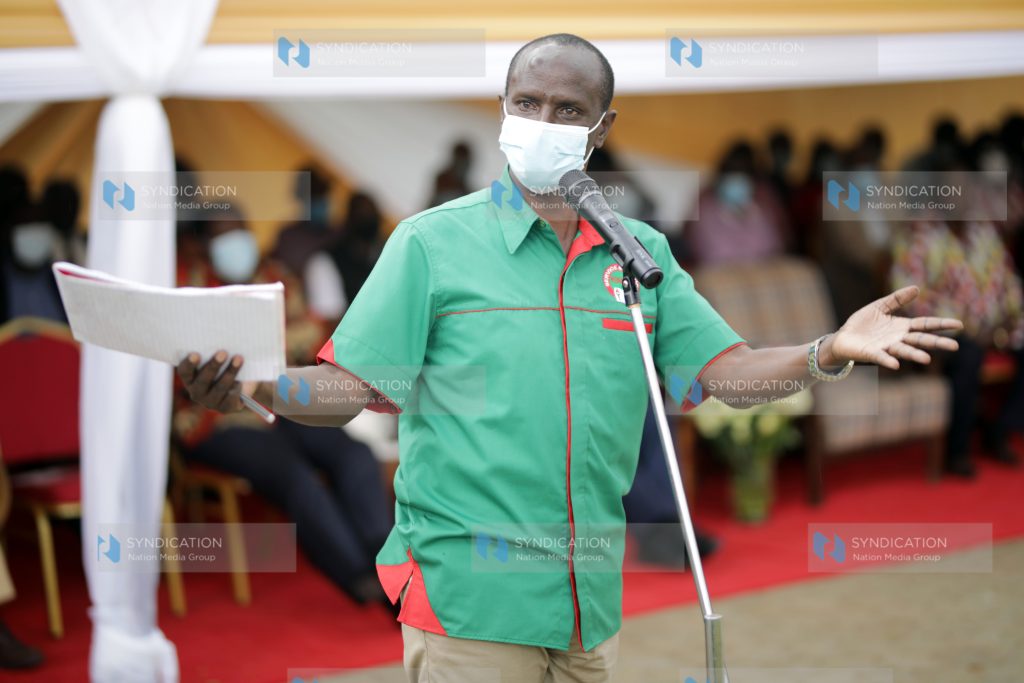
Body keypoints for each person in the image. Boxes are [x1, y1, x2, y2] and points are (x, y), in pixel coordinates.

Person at [177, 34, 961, 683]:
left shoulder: (640, 253)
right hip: (470, 592)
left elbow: (726, 372)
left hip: (589, 592)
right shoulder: (429, 243)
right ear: (503, 110)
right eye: (527, 103)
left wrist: (826, 351)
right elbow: (350, 386)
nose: (542, 121)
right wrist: (258, 384)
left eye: (567, 110)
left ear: (602, 125)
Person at [174, 208, 395, 609]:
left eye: (241, 231)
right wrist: (264, 345)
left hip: (283, 402)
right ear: (204, 245)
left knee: (355, 455)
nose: (236, 244)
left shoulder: (275, 278)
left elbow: (312, 331)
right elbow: (181, 362)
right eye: (223, 236)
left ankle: (388, 562)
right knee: (293, 475)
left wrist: (243, 348)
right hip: (219, 419)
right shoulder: (187, 289)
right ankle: (359, 576)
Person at [687, 140, 787, 266]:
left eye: (743, 174)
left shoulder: (760, 211)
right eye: (731, 172)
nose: (737, 180)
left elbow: (774, 248)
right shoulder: (706, 210)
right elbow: (712, 253)